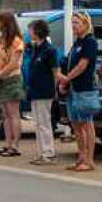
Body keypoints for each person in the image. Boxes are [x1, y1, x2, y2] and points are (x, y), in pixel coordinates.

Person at [58, 12, 101, 172]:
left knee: (86, 123)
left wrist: (66, 79)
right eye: (72, 22)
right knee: (75, 124)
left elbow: (82, 65)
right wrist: (64, 82)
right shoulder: (77, 43)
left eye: (77, 22)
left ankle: (89, 160)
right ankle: (81, 157)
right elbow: (69, 62)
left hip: (84, 89)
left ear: (85, 24)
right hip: (72, 89)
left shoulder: (90, 42)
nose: (73, 25)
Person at [26, 19, 62, 165]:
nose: (29, 33)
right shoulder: (37, 49)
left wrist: (55, 90)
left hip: (45, 91)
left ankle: (48, 153)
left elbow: (55, 72)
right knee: (37, 123)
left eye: (31, 30)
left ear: (38, 31)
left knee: (44, 123)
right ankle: (42, 152)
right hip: (35, 91)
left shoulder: (49, 50)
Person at [0, 11, 25, 157]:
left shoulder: (16, 41)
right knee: (5, 114)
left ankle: (15, 146)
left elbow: (13, 63)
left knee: (13, 114)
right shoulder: (0, 40)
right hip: (0, 79)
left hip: (11, 78)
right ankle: (8, 143)